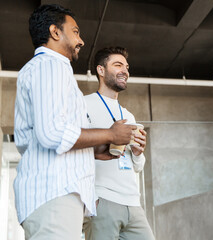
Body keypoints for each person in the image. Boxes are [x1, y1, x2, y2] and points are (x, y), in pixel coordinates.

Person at [14, 4, 136, 239]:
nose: (81, 40)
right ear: (55, 32)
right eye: (76, 32)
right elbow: (52, 133)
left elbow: (39, 140)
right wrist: (110, 135)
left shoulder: (46, 68)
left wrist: (91, 151)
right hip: (53, 195)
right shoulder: (51, 65)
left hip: (54, 196)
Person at [82, 47, 155, 240]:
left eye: (126, 66)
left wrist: (139, 153)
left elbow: (136, 166)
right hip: (102, 199)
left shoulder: (128, 115)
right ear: (101, 70)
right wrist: (91, 197)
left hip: (133, 202)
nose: (125, 70)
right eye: (118, 65)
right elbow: (73, 148)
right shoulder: (83, 104)